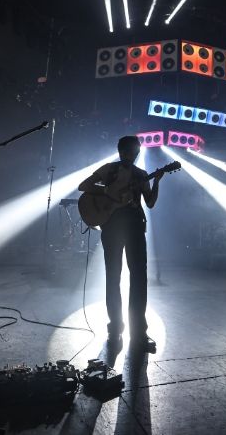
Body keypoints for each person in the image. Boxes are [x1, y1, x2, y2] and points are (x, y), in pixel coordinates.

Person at [78, 136, 163, 352]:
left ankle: (139, 332)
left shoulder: (141, 175)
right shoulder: (109, 170)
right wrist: (107, 191)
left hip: (135, 225)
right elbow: (84, 186)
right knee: (113, 277)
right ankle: (114, 329)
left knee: (139, 278)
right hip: (112, 225)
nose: (133, 155)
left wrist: (157, 181)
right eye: (130, 151)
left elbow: (150, 203)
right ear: (121, 151)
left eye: (136, 151)